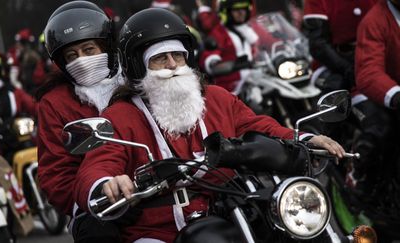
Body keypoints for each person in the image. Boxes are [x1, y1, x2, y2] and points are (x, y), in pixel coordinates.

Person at [74, 8, 345, 243]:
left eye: (177, 56)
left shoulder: (216, 98)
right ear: (137, 66)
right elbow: (98, 163)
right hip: (159, 229)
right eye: (160, 59)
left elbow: (258, 125)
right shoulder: (121, 116)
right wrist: (108, 182)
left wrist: (304, 138)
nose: (172, 66)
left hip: (232, 211)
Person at [36, 1, 124, 242]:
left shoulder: (134, 83)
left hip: (156, 187)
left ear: (106, 46)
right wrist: (93, 196)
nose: (81, 60)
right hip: (94, 206)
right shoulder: (54, 103)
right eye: (72, 55)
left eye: (89, 50)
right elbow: (56, 173)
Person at [302, 0, 391, 190]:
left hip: (377, 61)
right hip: (338, 65)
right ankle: (352, 169)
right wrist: (348, 68)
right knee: (378, 123)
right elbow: (318, 45)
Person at [355, 0, 400, 182]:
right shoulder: (375, 20)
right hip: (386, 93)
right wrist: (396, 95)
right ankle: (359, 180)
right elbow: (368, 72)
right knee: (380, 130)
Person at [197, 0, 277, 94]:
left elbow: (272, 43)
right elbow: (210, 61)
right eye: (236, 10)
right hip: (232, 88)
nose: (241, 13)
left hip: (256, 78)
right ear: (226, 12)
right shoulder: (219, 33)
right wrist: (231, 65)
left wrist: (287, 47)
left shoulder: (253, 28)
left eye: (244, 9)